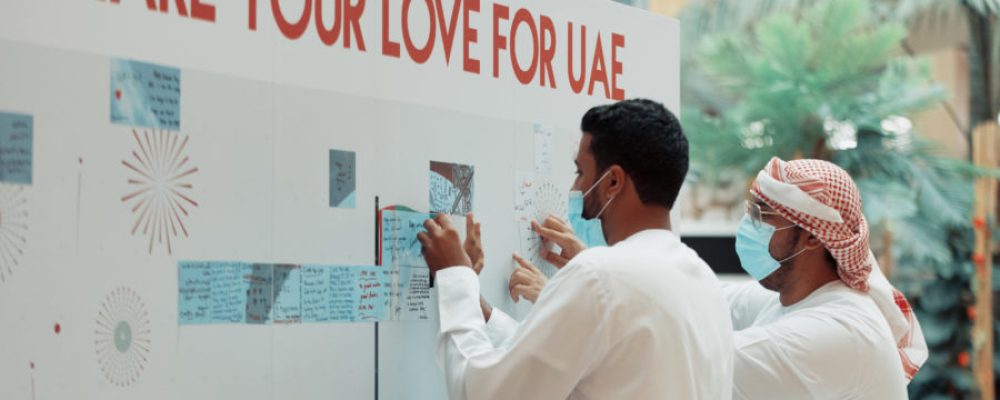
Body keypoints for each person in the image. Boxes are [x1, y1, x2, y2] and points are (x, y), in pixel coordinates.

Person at [513, 157, 929, 399]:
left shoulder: (840, 331)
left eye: (762, 217)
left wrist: (569, 300)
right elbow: (687, 298)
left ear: (808, 236)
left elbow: (681, 357)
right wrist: (595, 267)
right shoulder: (785, 299)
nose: (748, 226)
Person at [417, 99, 734, 400]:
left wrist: (454, 277)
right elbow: (569, 367)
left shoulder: (599, 276)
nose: (574, 189)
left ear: (612, 182)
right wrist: (478, 307)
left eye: (581, 172)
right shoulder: (703, 282)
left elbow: (485, 392)